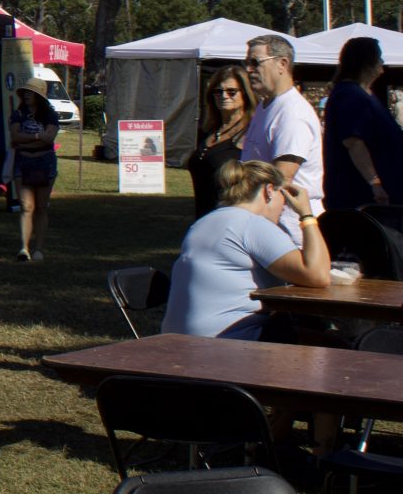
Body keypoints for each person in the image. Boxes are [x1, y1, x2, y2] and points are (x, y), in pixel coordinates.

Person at [164, 160, 330, 340]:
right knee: (335, 346)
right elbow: (318, 275)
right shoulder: (252, 224)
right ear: (269, 191)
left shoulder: (202, 224)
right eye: (283, 196)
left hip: (179, 339)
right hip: (227, 342)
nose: (284, 205)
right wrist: (306, 214)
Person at [241, 34, 325, 240]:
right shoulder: (266, 105)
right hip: (270, 221)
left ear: (282, 64)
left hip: (290, 228)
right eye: (246, 63)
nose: (248, 70)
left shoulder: (292, 113)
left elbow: (280, 178)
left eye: (255, 63)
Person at [323, 36, 403, 212]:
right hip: (364, 200)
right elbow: (354, 142)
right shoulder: (350, 96)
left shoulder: (362, 94)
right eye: (379, 57)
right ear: (367, 63)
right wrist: (375, 183)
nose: (382, 63)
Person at [186, 67, 256, 220]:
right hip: (203, 217)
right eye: (218, 92)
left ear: (245, 93)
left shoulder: (251, 132)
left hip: (233, 219)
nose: (224, 96)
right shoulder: (207, 131)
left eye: (231, 91)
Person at [8, 85, 60, 262]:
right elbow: (15, 136)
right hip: (22, 162)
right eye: (25, 92)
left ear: (40, 96)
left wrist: (27, 141)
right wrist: (37, 137)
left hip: (45, 162)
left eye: (31, 92)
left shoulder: (50, 115)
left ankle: (39, 248)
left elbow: (49, 139)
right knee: (26, 206)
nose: (27, 95)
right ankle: (24, 248)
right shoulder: (18, 114)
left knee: (41, 207)